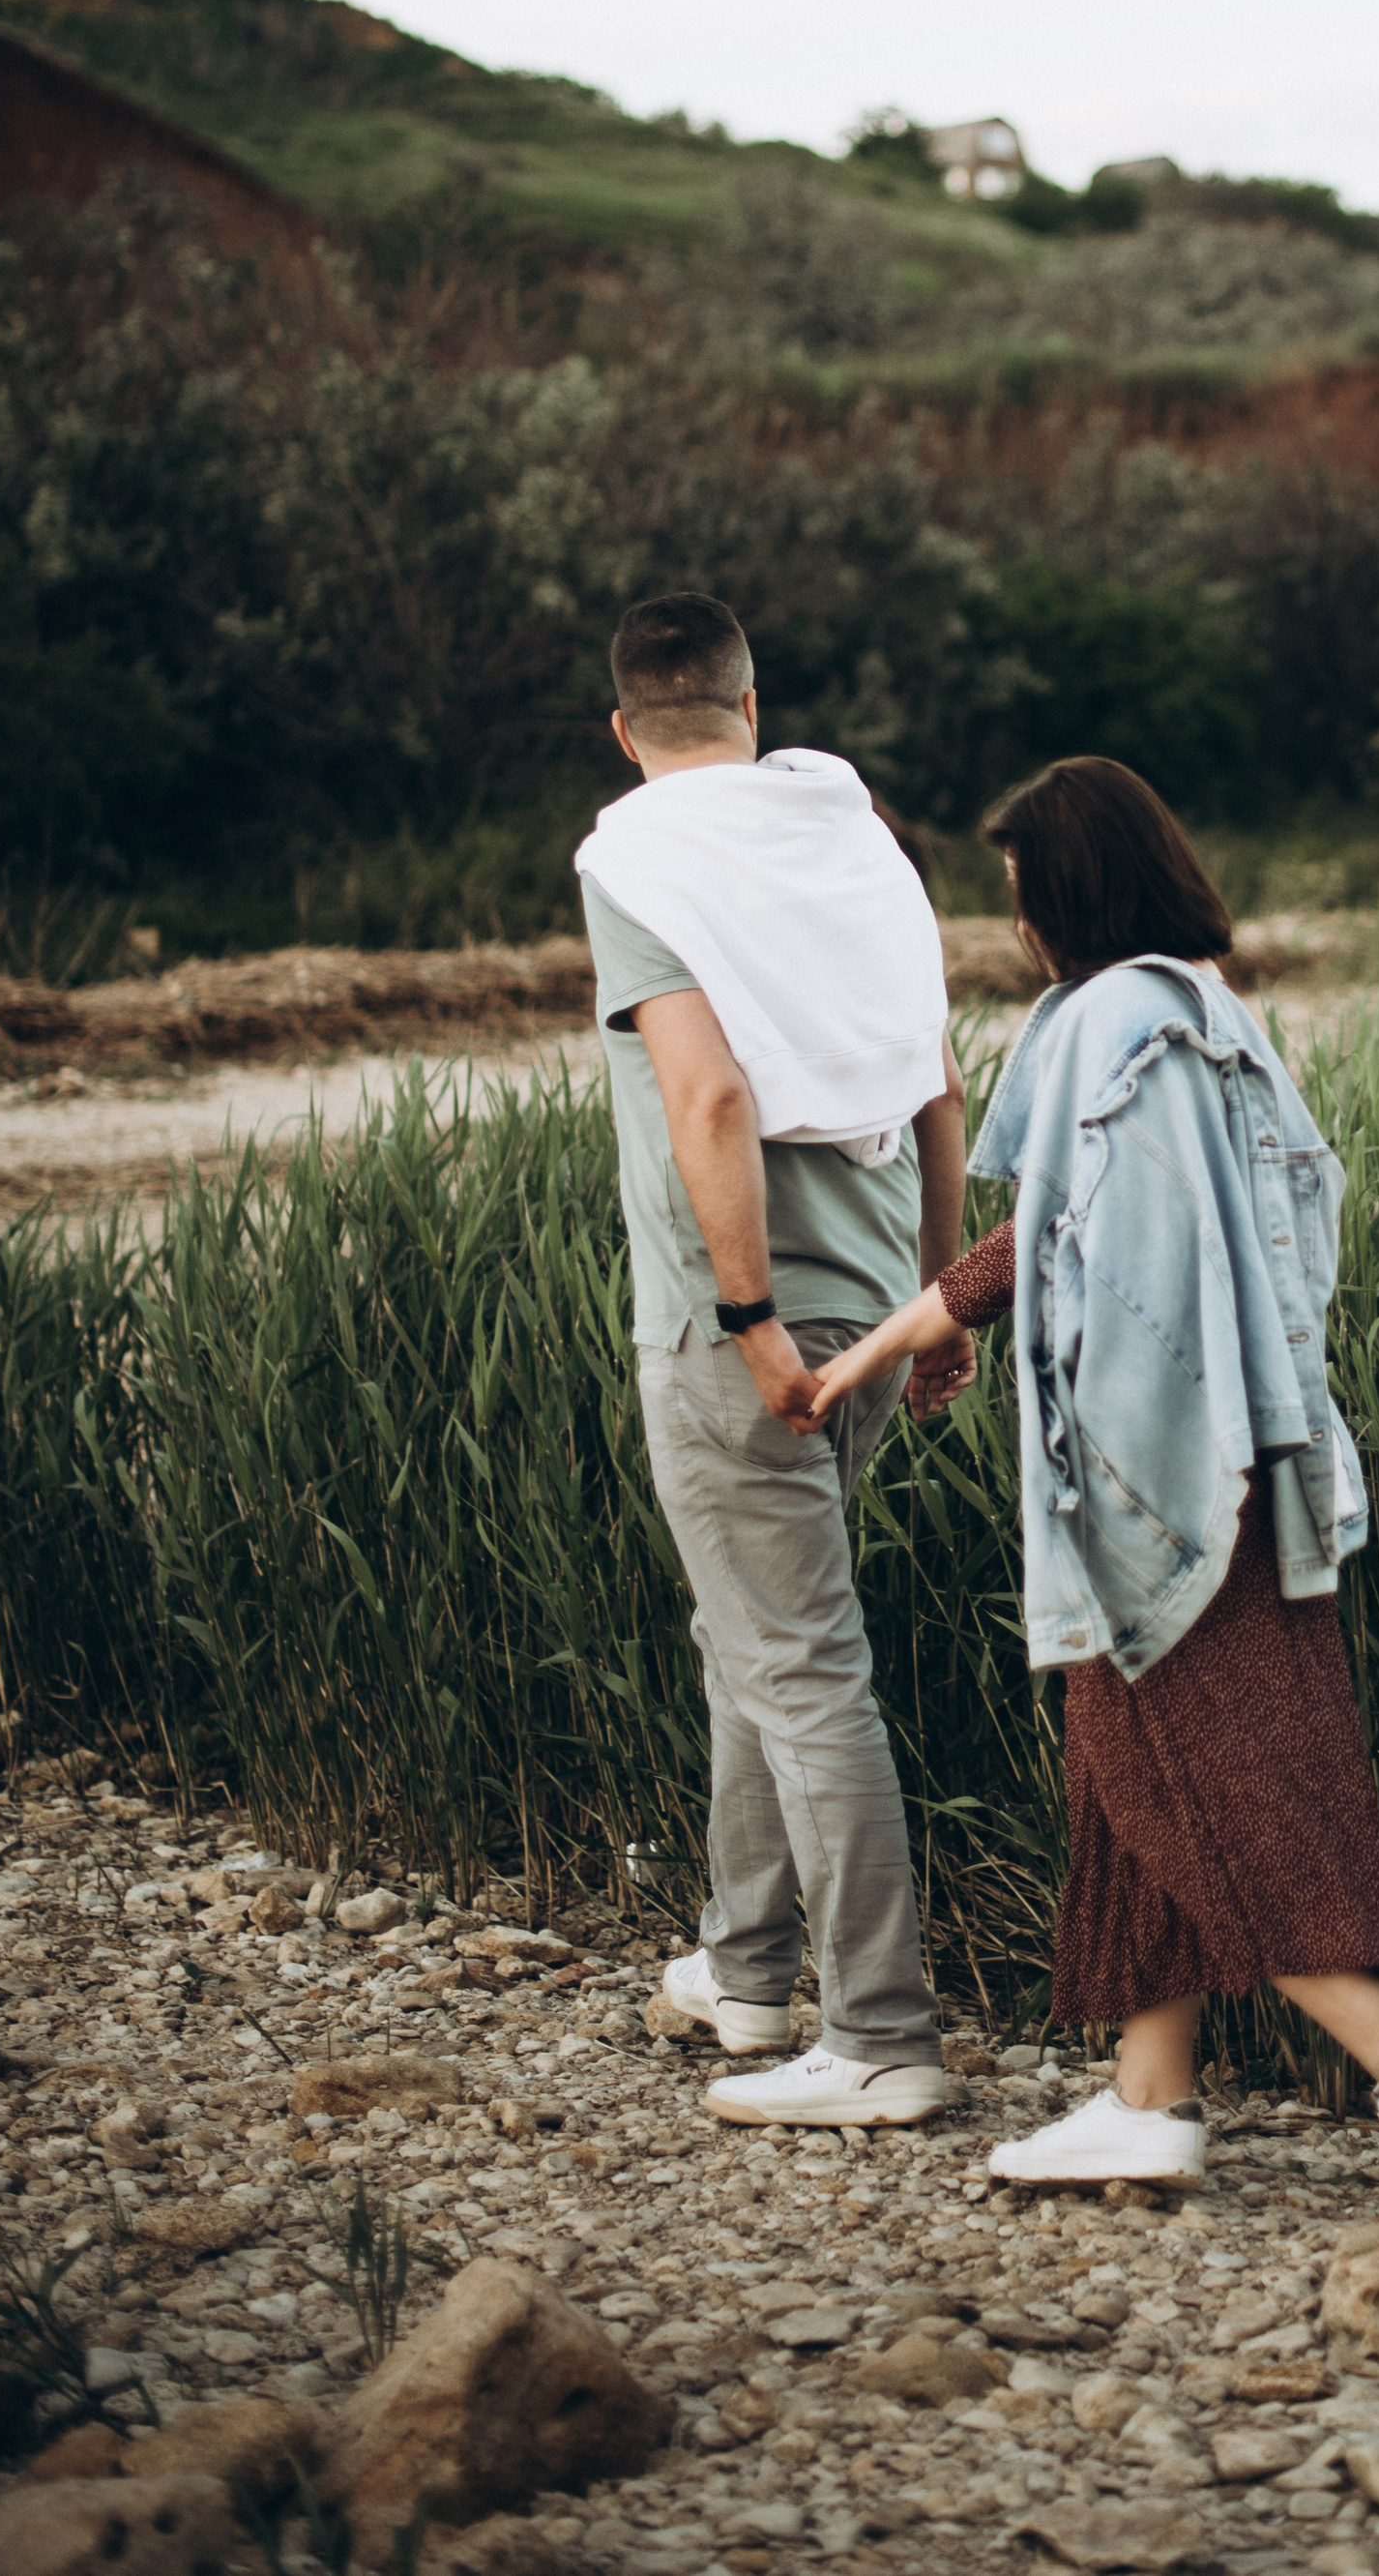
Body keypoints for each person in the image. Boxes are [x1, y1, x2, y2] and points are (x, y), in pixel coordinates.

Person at [801, 754, 1379, 2240]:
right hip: (1246, 1452)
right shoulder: (1200, 1010)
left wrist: (1094, 1453)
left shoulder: (1107, 1019)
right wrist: (898, 1342)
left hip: (1165, 1473)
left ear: (1072, 889)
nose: (1017, 924)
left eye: (1021, 893)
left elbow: (1102, 1264)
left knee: (1203, 1780)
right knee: (1133, 1782)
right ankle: (1150, 2094)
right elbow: (1049, 1235)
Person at [575, 589, 962, 2130]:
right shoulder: (845, 834)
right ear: (753, 702)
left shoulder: (636, 859)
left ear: (624, 730)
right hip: (875, 1307)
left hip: (743, 1336)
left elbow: (712, 1103)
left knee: (802, 1668)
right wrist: (941, 1299)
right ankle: (744, 1975)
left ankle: (881, 2038)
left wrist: (744, 1328)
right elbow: (936, 1083)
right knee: (751, 1630)